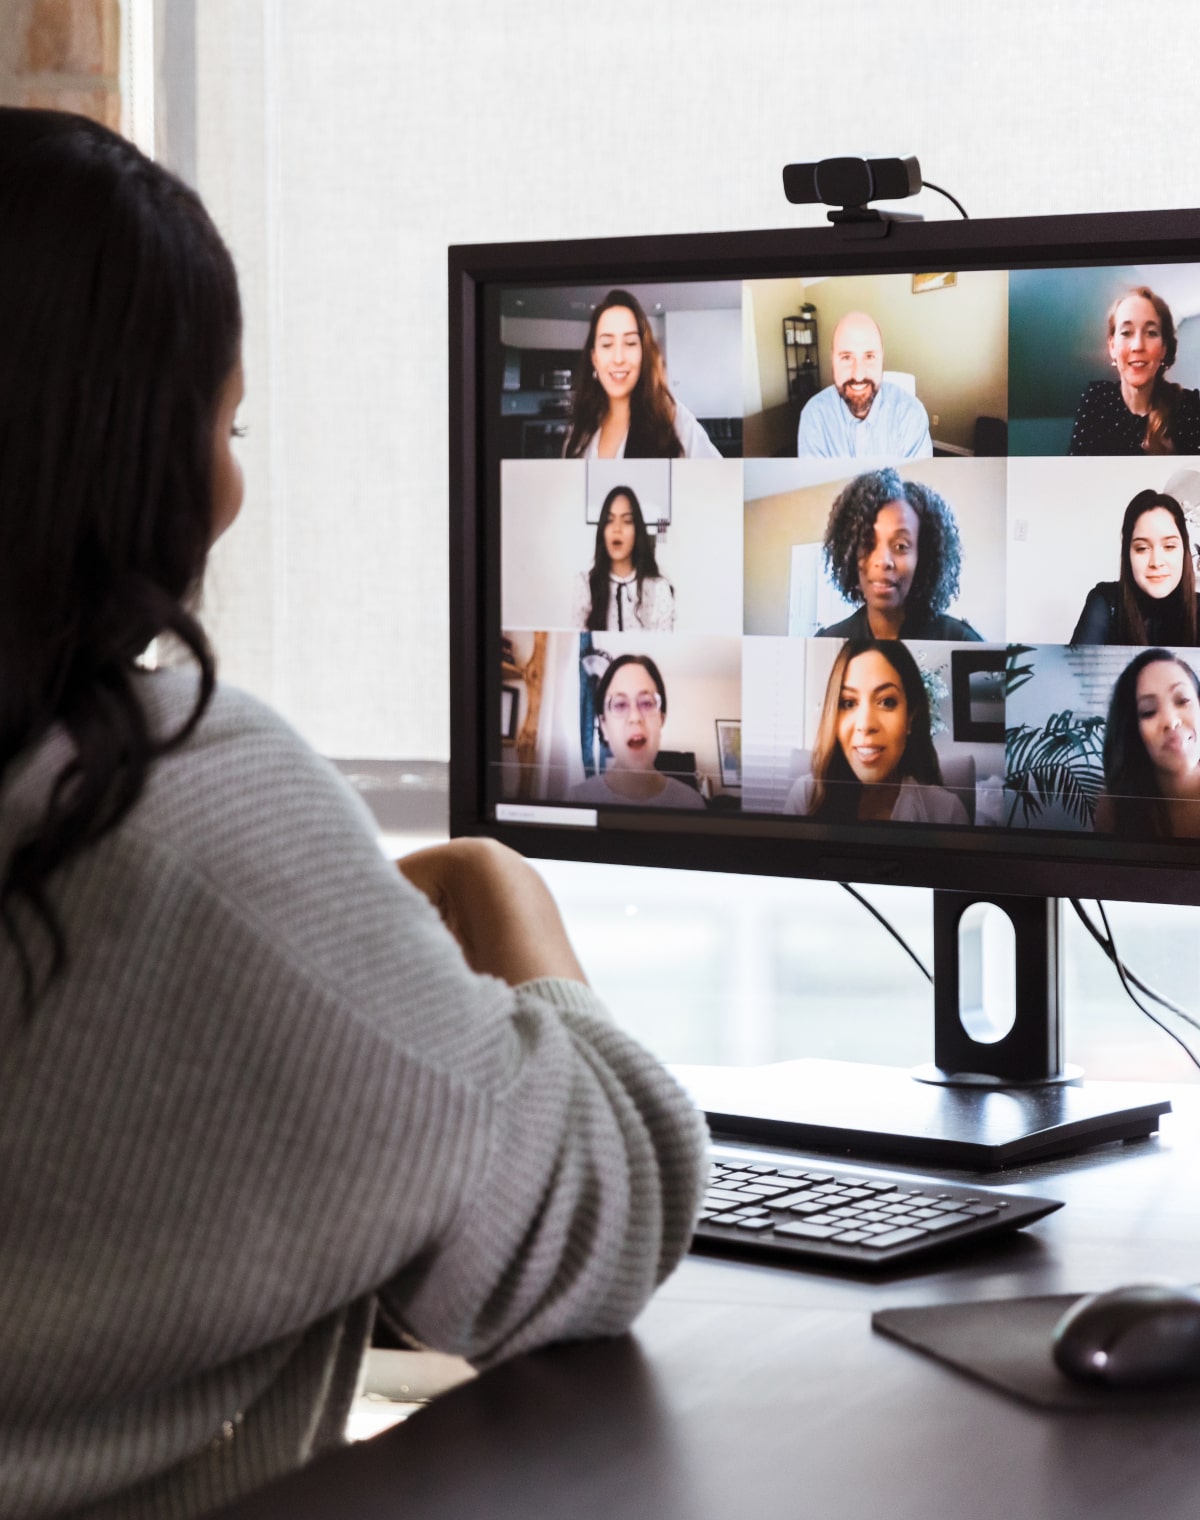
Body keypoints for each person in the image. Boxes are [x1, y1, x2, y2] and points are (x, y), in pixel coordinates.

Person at [0, 109, 708, 1519]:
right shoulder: (165, 795)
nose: (235, 484)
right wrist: (503, 901)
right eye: (228, 422)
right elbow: (598, 1214)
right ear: (131, 450)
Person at [783, 639, 968, 824]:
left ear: (910, 716)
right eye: (848, 703)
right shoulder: (806, 798)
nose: (865, 724)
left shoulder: (947, 812)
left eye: (887, 702)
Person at [815, 466, 983, 640]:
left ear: (923, 557)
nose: (883, 561)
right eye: (868, 544)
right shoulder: (828, 640)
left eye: (900, 546)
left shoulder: (961, 640)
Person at [563, 288, 720, 459]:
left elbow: (723, 480)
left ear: (643, 353)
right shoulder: (580, 428)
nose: (618, 358)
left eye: (630, 343)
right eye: (607, 344)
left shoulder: (673, 420)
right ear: (594, 358)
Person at [1068, 287, 1200, 456]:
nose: (1138, 345)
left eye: (1151, 333)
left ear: (1164, 349)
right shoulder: (1097, 398)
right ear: (1112, 346)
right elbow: (1077, 473)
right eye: (1126, 332)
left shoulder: (1190, 407)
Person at [571, 654, 707, 808]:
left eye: (646, 703)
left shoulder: (691, 803)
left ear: (661, 719)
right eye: (620, 704)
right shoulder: (574, 801)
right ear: (604, 726)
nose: (635, 717)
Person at [796, 311, 933, 459]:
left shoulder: (912, 415)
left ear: (882, 357)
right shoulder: (814, 417)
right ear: (832, 360)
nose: (858, 375)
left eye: (869, 356)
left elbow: (915, 481)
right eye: (846, 357)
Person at [1071, 490, 1200, 644]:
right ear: (1128, 554)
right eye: (1142, 548)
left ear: (1184, 551)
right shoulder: (1105, 603)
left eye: (1169, 546)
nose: (1156, 562)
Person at [1096, 648, 1200, 837]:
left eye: (1182, 700)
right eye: (1148, 711)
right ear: (1132, 729)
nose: (1171, 721)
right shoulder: (1114, 803)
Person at [573, 484, 676, 631]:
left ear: (637, 530)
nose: (617, 529)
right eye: (610, 520)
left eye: (627, 521)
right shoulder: (585, 585)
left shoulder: (659, 589)